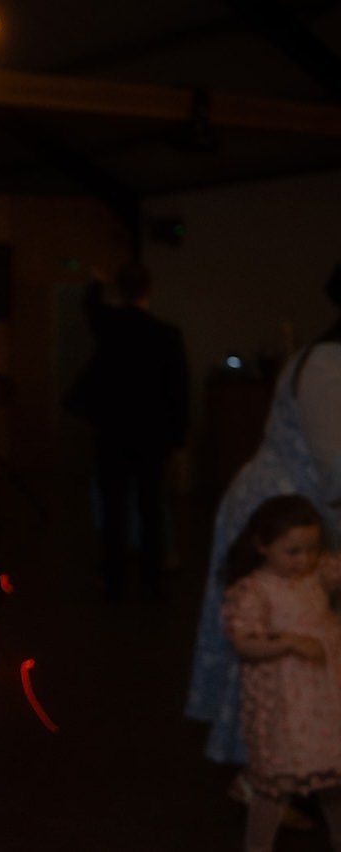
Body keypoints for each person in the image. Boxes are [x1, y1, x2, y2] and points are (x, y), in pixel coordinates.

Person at [187, 264, 341, 826]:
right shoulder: (328, 363)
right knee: (265, 642)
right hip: (281, 520)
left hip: (301, 515)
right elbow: (336, 467)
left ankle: (284, 770)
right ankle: (261, 776)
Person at [220, 494, 341, 852]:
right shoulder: (254, 591)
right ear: (261, 545)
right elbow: (245, 642)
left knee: (334, 773)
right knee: (277, 786)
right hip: (285, 705)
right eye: (292, 551)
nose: (304, 559)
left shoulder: (314, 574)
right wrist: (287, 643)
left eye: (311, 549)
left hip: (324, 701)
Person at [65, 261, 188, 601]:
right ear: (150, 289)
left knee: (114, 506)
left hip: (113, 432)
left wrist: (94, 281)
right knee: (150, 504)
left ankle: (114, 576)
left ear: (119, 291)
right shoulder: (166, 334)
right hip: (152, 435)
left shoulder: (110, 326)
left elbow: (90, 306)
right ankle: (152, 576)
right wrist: (177, 438)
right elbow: (178, 390)